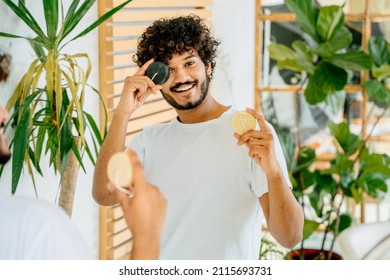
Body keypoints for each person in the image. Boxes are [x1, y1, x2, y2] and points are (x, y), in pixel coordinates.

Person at [92, 14, 304, 260]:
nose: (181, 77)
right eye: (168, 69)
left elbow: (289, 237)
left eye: (190, 63)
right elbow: (104, 194)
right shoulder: (150, 141)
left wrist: (274, 173)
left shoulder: (251, 133)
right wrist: (123, 112)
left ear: (208, 65)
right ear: (155, 80)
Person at [0, 54, 166, 260]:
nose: (5, 114)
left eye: (189, 62)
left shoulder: (30, 223)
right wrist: (146, 239)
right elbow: (104, 193)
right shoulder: (34, 225)